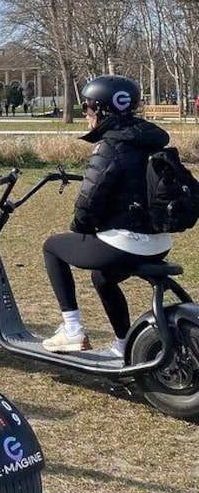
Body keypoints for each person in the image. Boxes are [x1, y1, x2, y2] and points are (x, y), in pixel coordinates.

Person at [41, 75, 171, 356]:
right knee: (102, 277)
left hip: (126, 244)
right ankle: (124, 343)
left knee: (52, 246)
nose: (86, 113)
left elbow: (88, 202)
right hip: (160, 243)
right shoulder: (151, 141)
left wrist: (81, 227)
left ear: (101, 109)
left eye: (87, 107)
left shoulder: (110, 145)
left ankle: (72, 329)